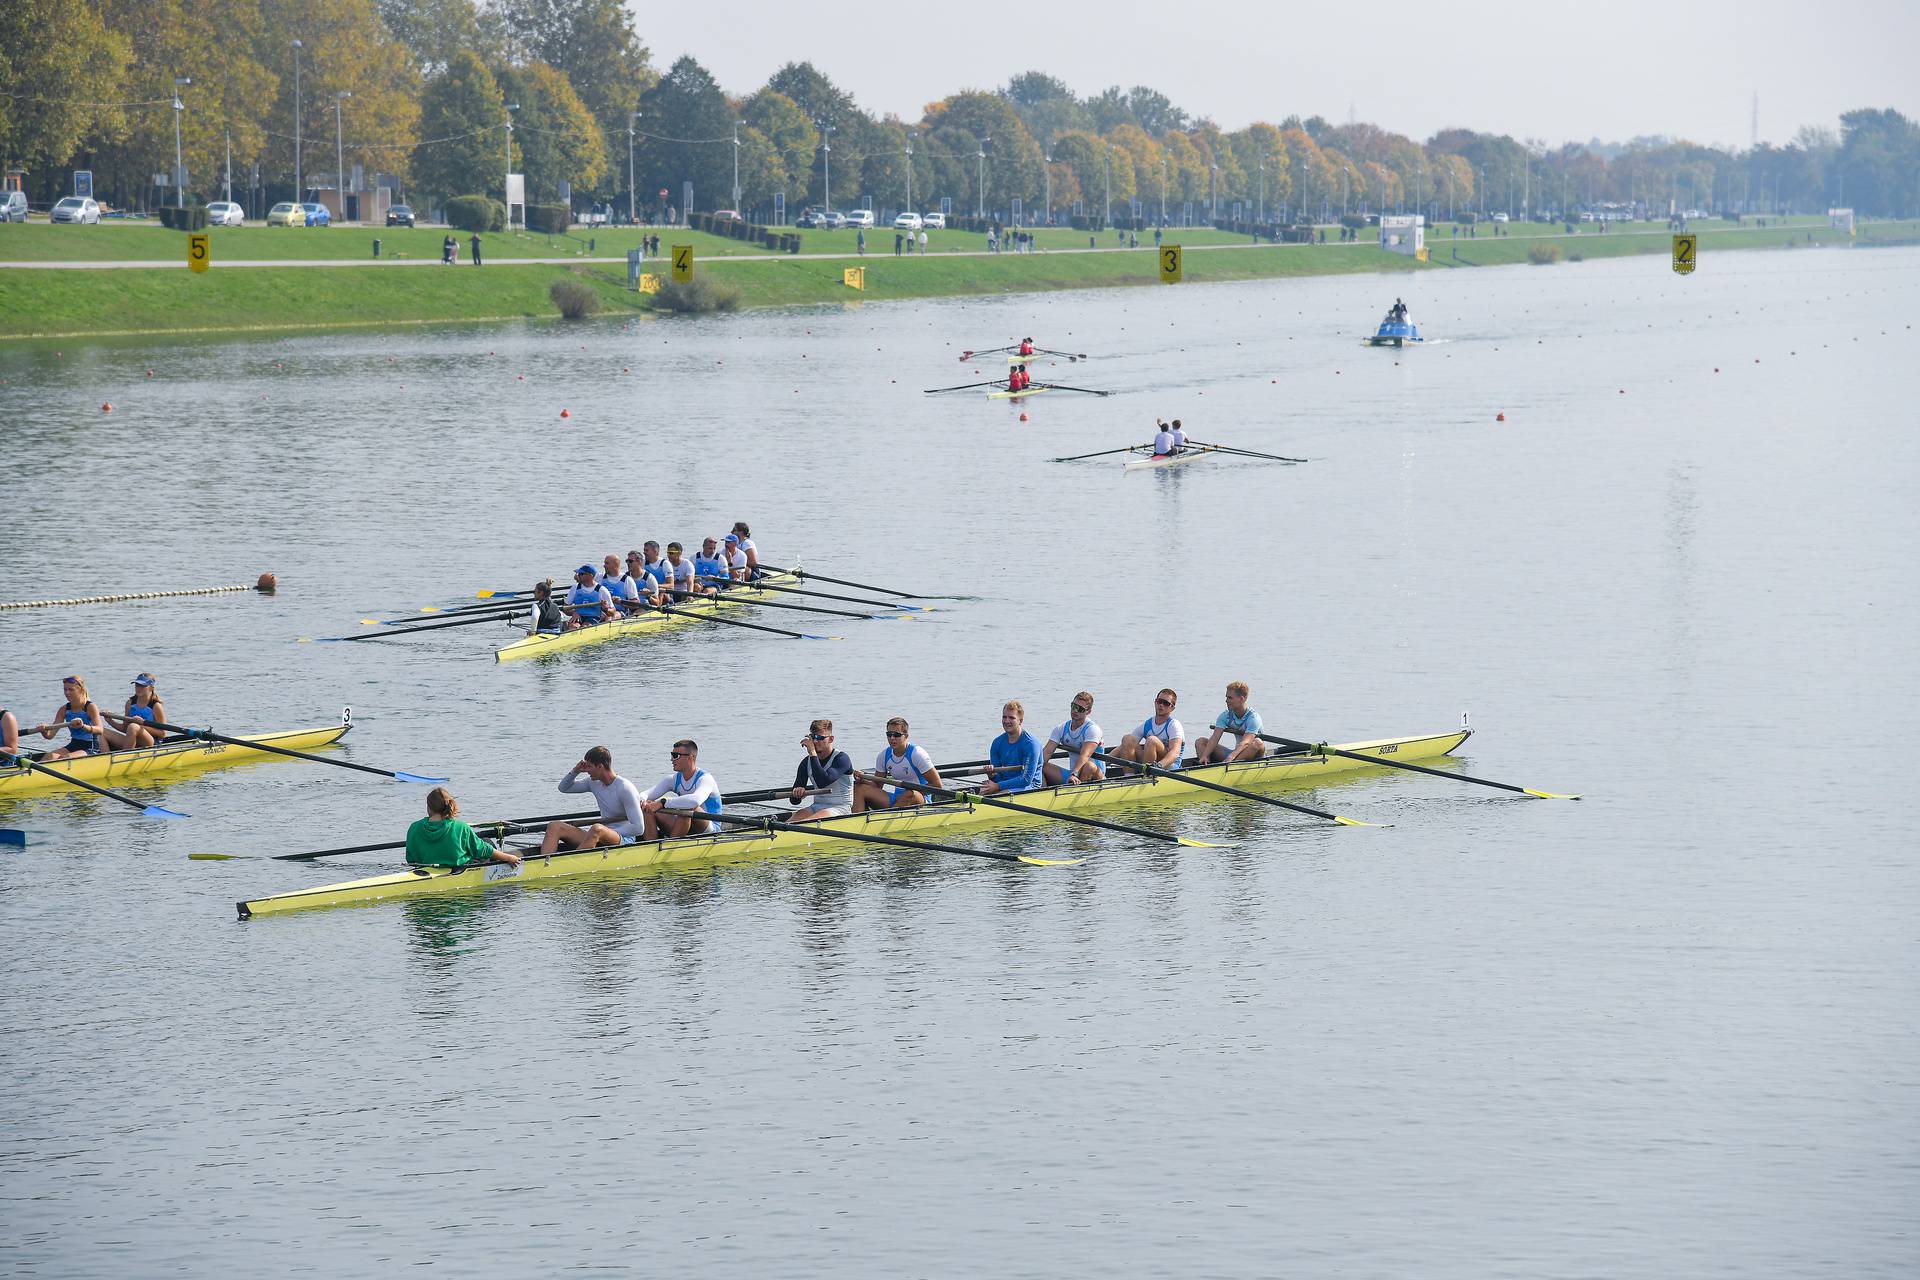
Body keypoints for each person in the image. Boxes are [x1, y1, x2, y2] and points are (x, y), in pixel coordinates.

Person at [539, 745, 645, 854]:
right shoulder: (593, 783)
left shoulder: (625, 788)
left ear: (600, 766)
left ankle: (572, 863)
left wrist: (606, 832)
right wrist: (576, 771)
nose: (587, 771)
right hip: (598, 835)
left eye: (589, 767)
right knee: (555, 826)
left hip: (623, 839)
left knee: (597, 829)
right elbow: (563, 788)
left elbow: (638, 828)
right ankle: (543, 865)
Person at [408, 787, 521, 869]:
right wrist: (510, 858)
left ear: (429, 807)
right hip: (457, 870)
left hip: (425, 869)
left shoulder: (414, 828)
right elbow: (483, 850)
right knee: (487, 842)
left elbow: (411, 860)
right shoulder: (460, 827)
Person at [853, 716, 943, 810]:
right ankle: (856, 821)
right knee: (860, 788)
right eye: (889, 734)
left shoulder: (917, 754)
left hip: (919, 798)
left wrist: (907, 793)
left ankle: (885, 820)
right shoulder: (883, 756)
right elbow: (878, 785)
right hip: (897, 798)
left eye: (896, 734)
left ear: (906, 736)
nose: (892, 738)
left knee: (910, 794)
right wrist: (862, 779)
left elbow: (937, 785)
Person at [641, 739, 723, 838]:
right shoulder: (673, 779)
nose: (672, 759)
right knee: (649, 806)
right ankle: (651, 845)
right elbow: (645, 794)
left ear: (690, 758)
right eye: (672, 755)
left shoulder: (705, 779)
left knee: (688, 808)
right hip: (685, 825)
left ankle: (671, 846)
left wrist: (662, 803)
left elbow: (694, 801)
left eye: (676, 756)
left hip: (710, 829)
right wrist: (643, 802)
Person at [788, 719, 855, 821]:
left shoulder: (842, 758)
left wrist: (812, 752)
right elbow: (794, 801)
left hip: (840, 809)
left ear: (831, 739)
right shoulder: (806, 762)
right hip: (816, 806)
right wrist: (797, 793)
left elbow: (822, 782)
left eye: (820, 738)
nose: (815, 741)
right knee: (799, 814)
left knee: (813, 820)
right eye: (813, 737)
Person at [1193, 681, 1268, 765]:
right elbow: (1215, 738)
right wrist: (1205, 755)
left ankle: (1228, 766)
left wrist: (1230, 758)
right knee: (1200, 742)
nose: (1226, 701)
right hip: (1238, 754)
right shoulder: (1226, 716)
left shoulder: (1253, 718)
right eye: (1226, 697)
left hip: (1254, 754)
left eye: (1230, 698)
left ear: (1242, 699)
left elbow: (1245, 742)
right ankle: (1205, 763)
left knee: (1257, 742)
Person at [979, 700, 1043, 796]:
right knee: (983, 791)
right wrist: (992, 775)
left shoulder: (1031, 744)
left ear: (1020, 721)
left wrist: (996, 786)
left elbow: (1025, 780)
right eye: (1004, 717)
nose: (1006, 721)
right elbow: (998, 779)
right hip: (1005, 784)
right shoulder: (997, 743)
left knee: (998, 794)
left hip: (1029, 787)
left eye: (1011, 718)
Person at [38, 676, 108, 761]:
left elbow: (100, 730)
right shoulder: (64, 709)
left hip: (91, 747)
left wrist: (82, 726)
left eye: (71, 690)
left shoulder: (90, 707)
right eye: (65, 689)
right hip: (74, 744)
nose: (67, 693)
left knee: (65, 758)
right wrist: (44, 731)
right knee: (50, 756)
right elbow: (50, 735)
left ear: (81, 690)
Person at [1043, 692, 1104, 785]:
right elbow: (1047, 752)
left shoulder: (1092, 729)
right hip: (1072, 774)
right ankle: (1041, 791)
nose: (1075, 711)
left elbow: (1085, 756)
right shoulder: (1061, 728)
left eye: (1080, 709)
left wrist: (1074, 774)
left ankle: (1077, 792)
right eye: (1073, 706)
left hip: (1096, 776)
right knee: (1041, 766)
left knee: (1089, 766)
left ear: (1088, 712)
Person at [1117, 688, 1185, 772]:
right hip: (1150, 763)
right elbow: (1124, 746)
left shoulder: (1174, 725)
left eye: (1166, 703)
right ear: (1155, 702)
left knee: (1152, 740)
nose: (1161, 705)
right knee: (1127, 738)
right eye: (1159, 701)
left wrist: (1159, 765)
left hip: (1169, 765)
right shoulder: (1147, 724)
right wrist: (1104, 760)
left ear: (1172, 708)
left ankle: (1146, 776)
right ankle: (1129, 776)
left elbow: (1175, 753)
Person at [101, 672, 168, 750]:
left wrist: (140, 725)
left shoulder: (156, 706)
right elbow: (125, 728)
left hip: (151, 743)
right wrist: (110, 721)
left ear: (151, 688)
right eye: (137, 685)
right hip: (132, 740)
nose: (138, 688)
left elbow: (163, 733)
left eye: (142, 686)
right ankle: (106, 758)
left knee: (133, 726)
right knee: (100, 731)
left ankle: (125, 756)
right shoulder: (130, 703)